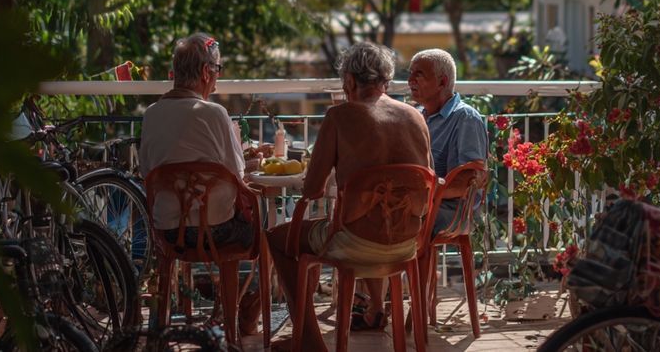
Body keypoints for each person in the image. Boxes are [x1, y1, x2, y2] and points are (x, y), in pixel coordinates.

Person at [266, 42, 432, 352]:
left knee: (277, 237)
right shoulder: (416, 118)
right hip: (406, 244)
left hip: (354, 244)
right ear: (386, 81)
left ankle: (310, 343)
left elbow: (312, 190)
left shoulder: (339, 116)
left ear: (350, 82)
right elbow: (424, 180)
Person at [138, 33, 260, 332]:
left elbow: (147, 172)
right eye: (218, 70)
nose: (217, 78)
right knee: (264, 228)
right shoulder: (214, 113)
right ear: (206, 72)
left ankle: (165, 328)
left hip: (167, 233)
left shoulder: (151, 115)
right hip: (217, 233)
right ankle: (243, 316)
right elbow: (237, 173)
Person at [407, 48, 488, 235]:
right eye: (410, 74)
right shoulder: (416, 117)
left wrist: (419, 193)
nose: (410, 81)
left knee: (395, 218)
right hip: (420, 204)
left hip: (452, 212)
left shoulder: (465, 117)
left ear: (442, 82)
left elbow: (467, 182)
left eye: (418, 74)